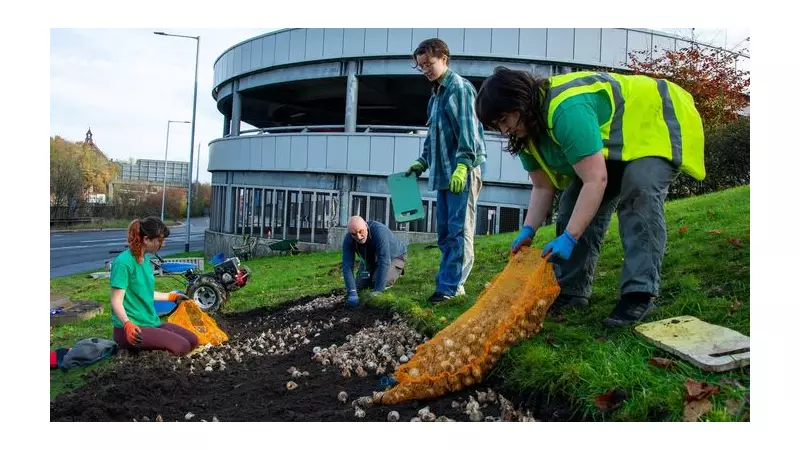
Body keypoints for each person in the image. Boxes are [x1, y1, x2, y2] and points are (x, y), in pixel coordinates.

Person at [475, 67, 705, 327]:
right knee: (572, 201)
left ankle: (638, 293)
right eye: (498, 126)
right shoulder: (527, 132)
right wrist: (528, 230)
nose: (505, 130)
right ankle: (571, 292)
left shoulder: (566, 110)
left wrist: (571, 237)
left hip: (654, 121)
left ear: (520, 101)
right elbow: (542, 187)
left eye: (505, 120)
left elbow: (595, 180)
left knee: (639, 191)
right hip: (615, 143)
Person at [404, 38, 487, 304]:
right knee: (444, 232)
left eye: (429, 63)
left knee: (458, 230)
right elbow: (433, 138)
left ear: (444, 58)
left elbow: (470, 133)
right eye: (421, 66)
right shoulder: (435, 96)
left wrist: (463, 165)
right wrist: (421, 162)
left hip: (461, 172)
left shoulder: (460, 89)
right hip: (443, 175)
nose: (425, 69)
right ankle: (447, 283)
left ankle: (451, 287)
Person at [110, 217, 199, 355]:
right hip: (132, 329)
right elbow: (116, 300)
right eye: (160, 240)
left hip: (150, 322)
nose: (162, 244)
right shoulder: (123, 263)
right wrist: (127, 324)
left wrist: (172, 296)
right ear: (146, 239)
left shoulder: (145, 260)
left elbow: (145, 292)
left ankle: (146, 347)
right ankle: (129, 349)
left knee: (193, 341)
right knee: (182, 347)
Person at [342, 216, 408, 307]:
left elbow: (384, 261)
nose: (359, 236)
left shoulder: (379, 231)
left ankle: (397, 270)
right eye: (354, 234)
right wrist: (352, 292)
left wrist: (378, 291)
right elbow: (347, 266)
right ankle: (373, 274)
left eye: (361, 231)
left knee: (376, 281)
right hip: (370, 259)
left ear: (366, 225)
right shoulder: (348, 239)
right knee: (359, 286)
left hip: (394, 256)